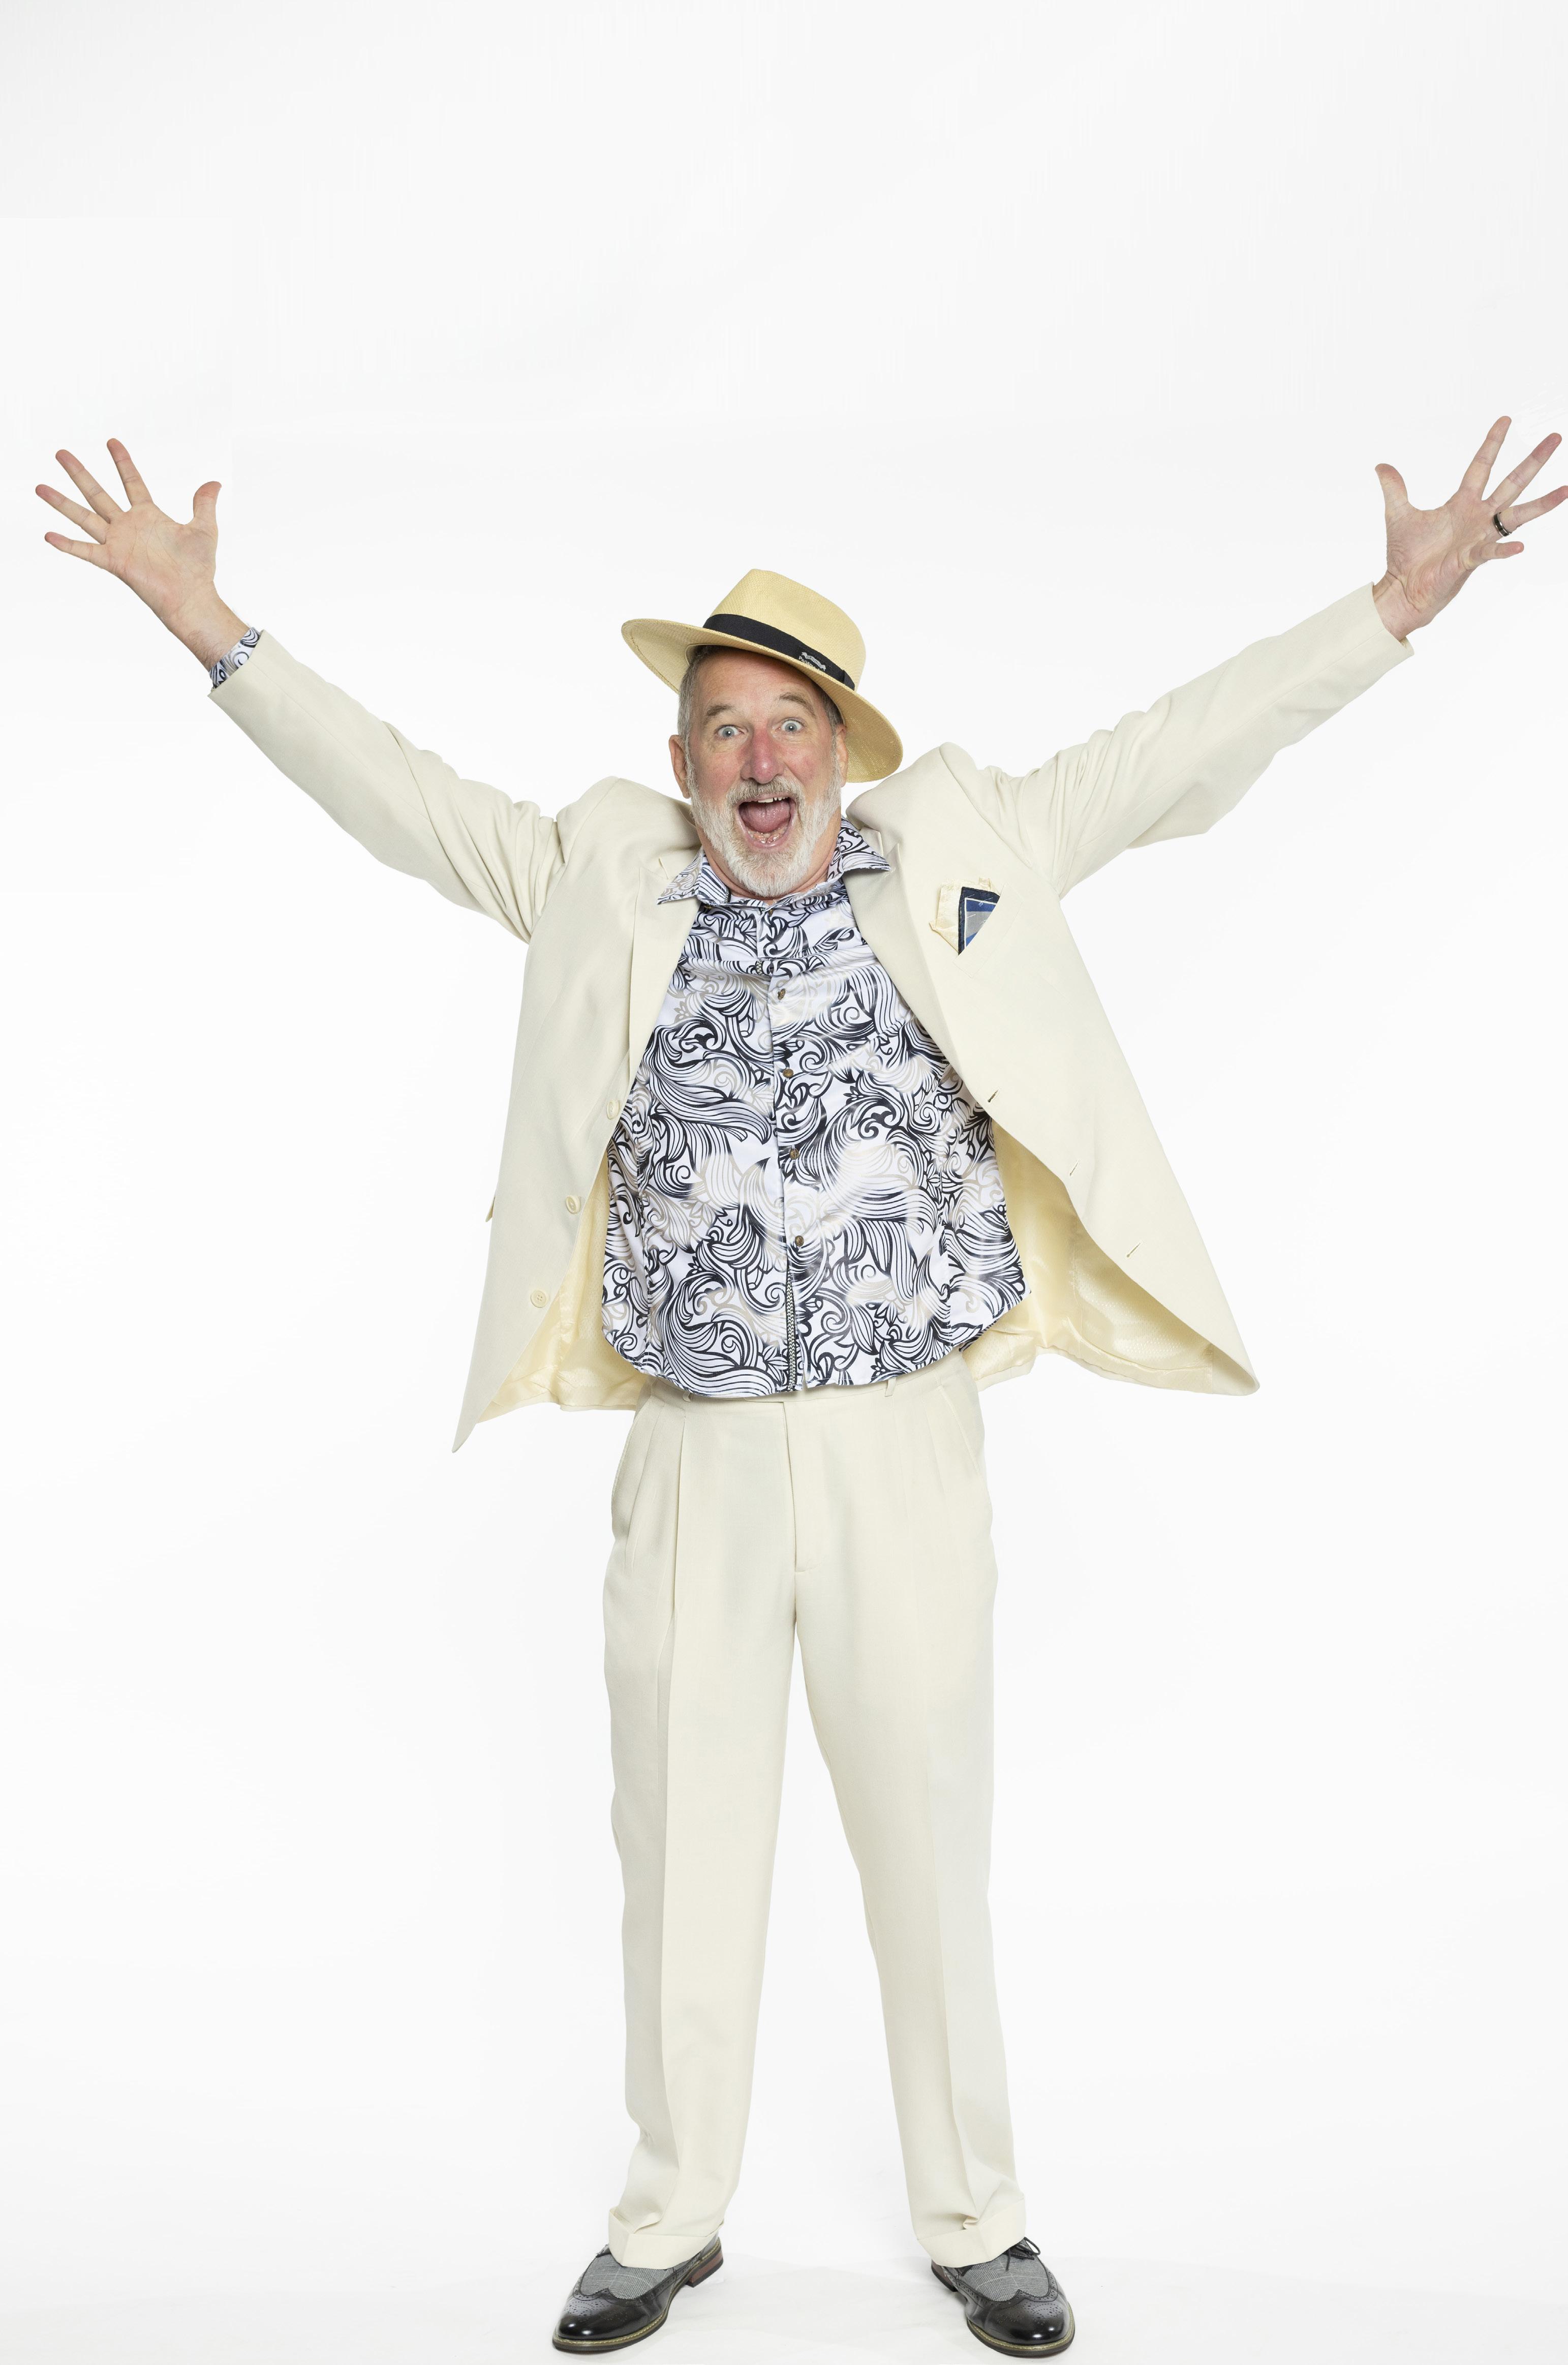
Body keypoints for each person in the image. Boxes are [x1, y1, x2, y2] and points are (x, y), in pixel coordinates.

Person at [36, 418, 1564, 2358]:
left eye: (790, 725)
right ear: (681, 761)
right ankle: (670, 2214)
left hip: (901, 1436)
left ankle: (977, 2216)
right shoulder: (600, 869)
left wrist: (1393, 609)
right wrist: (213, 630)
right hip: (693, 1454)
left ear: (844, 743)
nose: (757, 762)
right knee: (681, 1843)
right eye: (723, 731)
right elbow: (402, 799)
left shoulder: (965, 843)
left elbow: (1186, 745)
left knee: (925, 1828)